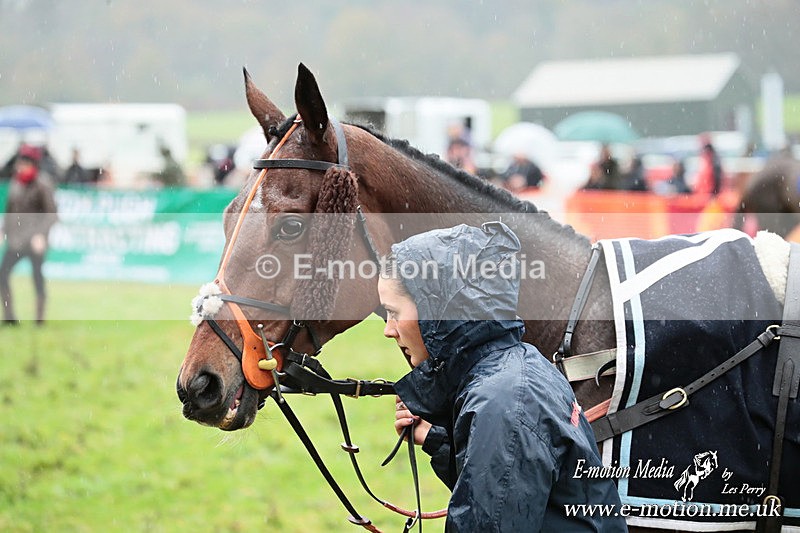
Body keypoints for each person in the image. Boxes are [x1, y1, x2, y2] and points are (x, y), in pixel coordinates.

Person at [378, 222, 626, 531]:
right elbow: (511, 492)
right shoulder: (519, 364)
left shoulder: (502, 401)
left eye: (394, 312)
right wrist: (438, 441)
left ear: (437, 311)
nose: (389, 329)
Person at [1, 145, 58, 324]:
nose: (20, 166)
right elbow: (10, 212)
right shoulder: (15, 183)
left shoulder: (43, 184)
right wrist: (3, 231)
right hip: (16, 241)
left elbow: (52, 214)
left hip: (34, 241)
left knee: (37, 277)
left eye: (24, 163)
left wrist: (41, 235)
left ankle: (39, 320)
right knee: (2, 275)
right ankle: (10, 317)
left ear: (33, 165)